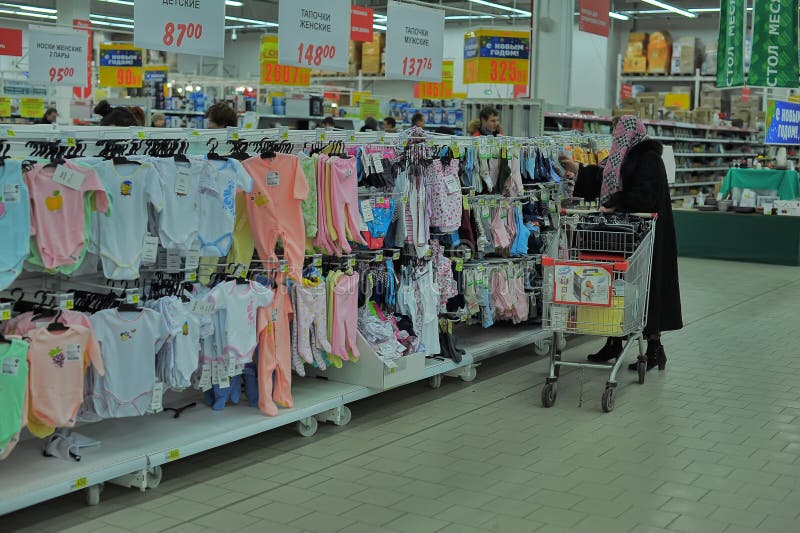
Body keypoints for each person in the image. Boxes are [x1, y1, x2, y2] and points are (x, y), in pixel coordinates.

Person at [559, 115, 683, 371]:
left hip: (648, 235)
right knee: (615, 287)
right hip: (620, 235)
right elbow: (603, 177)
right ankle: (614, 341)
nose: (617, 137)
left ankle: (654, 348)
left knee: (648, 288)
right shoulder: (621, 155)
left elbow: (644, 195)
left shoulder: (649, 159)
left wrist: (616, 202)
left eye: (620, 133)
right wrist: (576, 168)